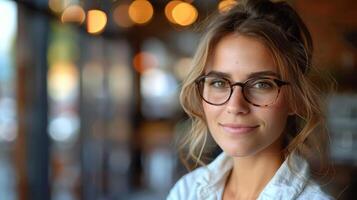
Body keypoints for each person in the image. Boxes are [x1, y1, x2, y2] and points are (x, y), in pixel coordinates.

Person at [167, 0, 335, 199]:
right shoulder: (187, 191)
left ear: (295, 98)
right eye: (219, 83)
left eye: (261, 84)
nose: (235, 106)